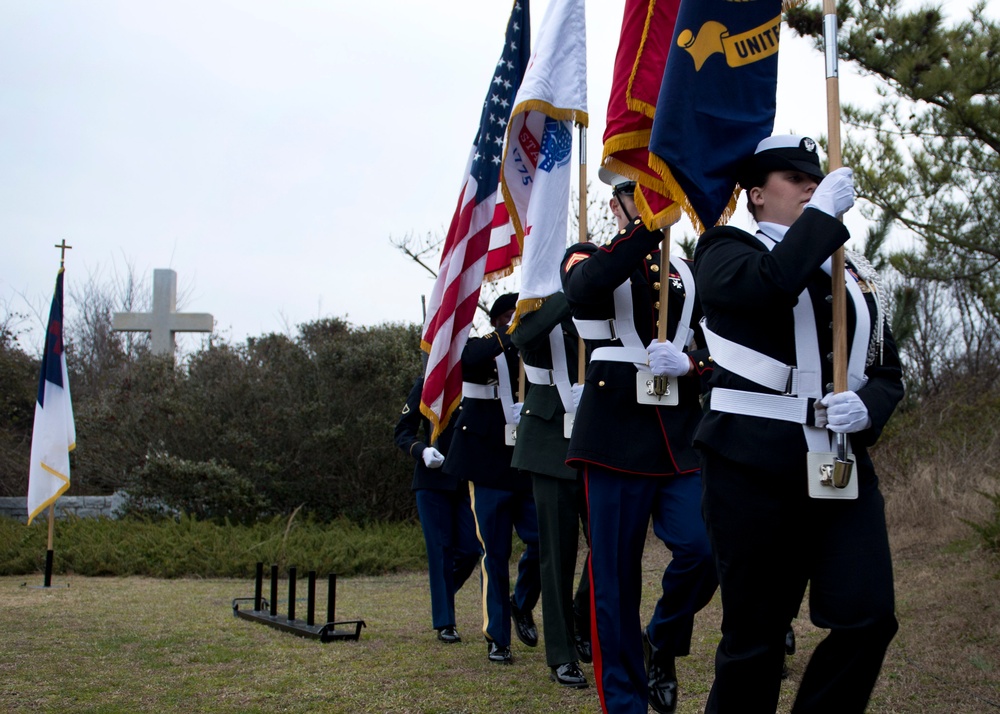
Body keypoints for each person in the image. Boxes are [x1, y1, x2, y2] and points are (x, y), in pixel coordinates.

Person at [692, 134, 904, 713]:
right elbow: (769, 285)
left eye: (815, 176)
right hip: (751, 464)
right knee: (755, 642)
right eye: (793, 178)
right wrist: (821, 220)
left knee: (869, 618)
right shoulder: (724, 249)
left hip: (838, 462)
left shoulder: (854, 272)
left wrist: (868, 410)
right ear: (757, 194)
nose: (810, 183)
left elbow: (888, 370)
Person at [560, 170, 719, 714]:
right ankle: (624, 703)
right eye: (639, 192)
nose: (651, 201)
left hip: (679, 435)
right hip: (614, 438)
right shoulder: (586, 255)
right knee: (615, 578)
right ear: (618, 201)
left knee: (704, 549)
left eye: (661, 191)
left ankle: (663, 642)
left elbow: (719, 347)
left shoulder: (688, 270)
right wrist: (649, 228)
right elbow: (586, 288)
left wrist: (694, 364)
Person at [441, 293, 542, 665]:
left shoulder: (536, 349)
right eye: (517, 316)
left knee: (544, 540)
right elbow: (465, 362)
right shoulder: (482, 345)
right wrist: (511, 331)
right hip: (486, 465)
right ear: (502, 318)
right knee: (494, 553)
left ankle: (522, 600)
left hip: (526, 463)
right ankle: (497, 637)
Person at [509, 291, 592, 689]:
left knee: (609, 544)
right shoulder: (546, 308)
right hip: (549, 443)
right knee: (557, 553)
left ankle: (581, 612)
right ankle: (562, 653)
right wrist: (567, 294)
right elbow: (522, 338)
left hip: (599, 440)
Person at [393, 374, 482, 644]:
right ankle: (445, 622)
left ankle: (440, 594)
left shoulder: (475, 382)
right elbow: (402, 431)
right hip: (432, 480)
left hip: (464, 480)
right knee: (440, 550)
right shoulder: (428, 383)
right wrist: (421, 450)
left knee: (470, 550)